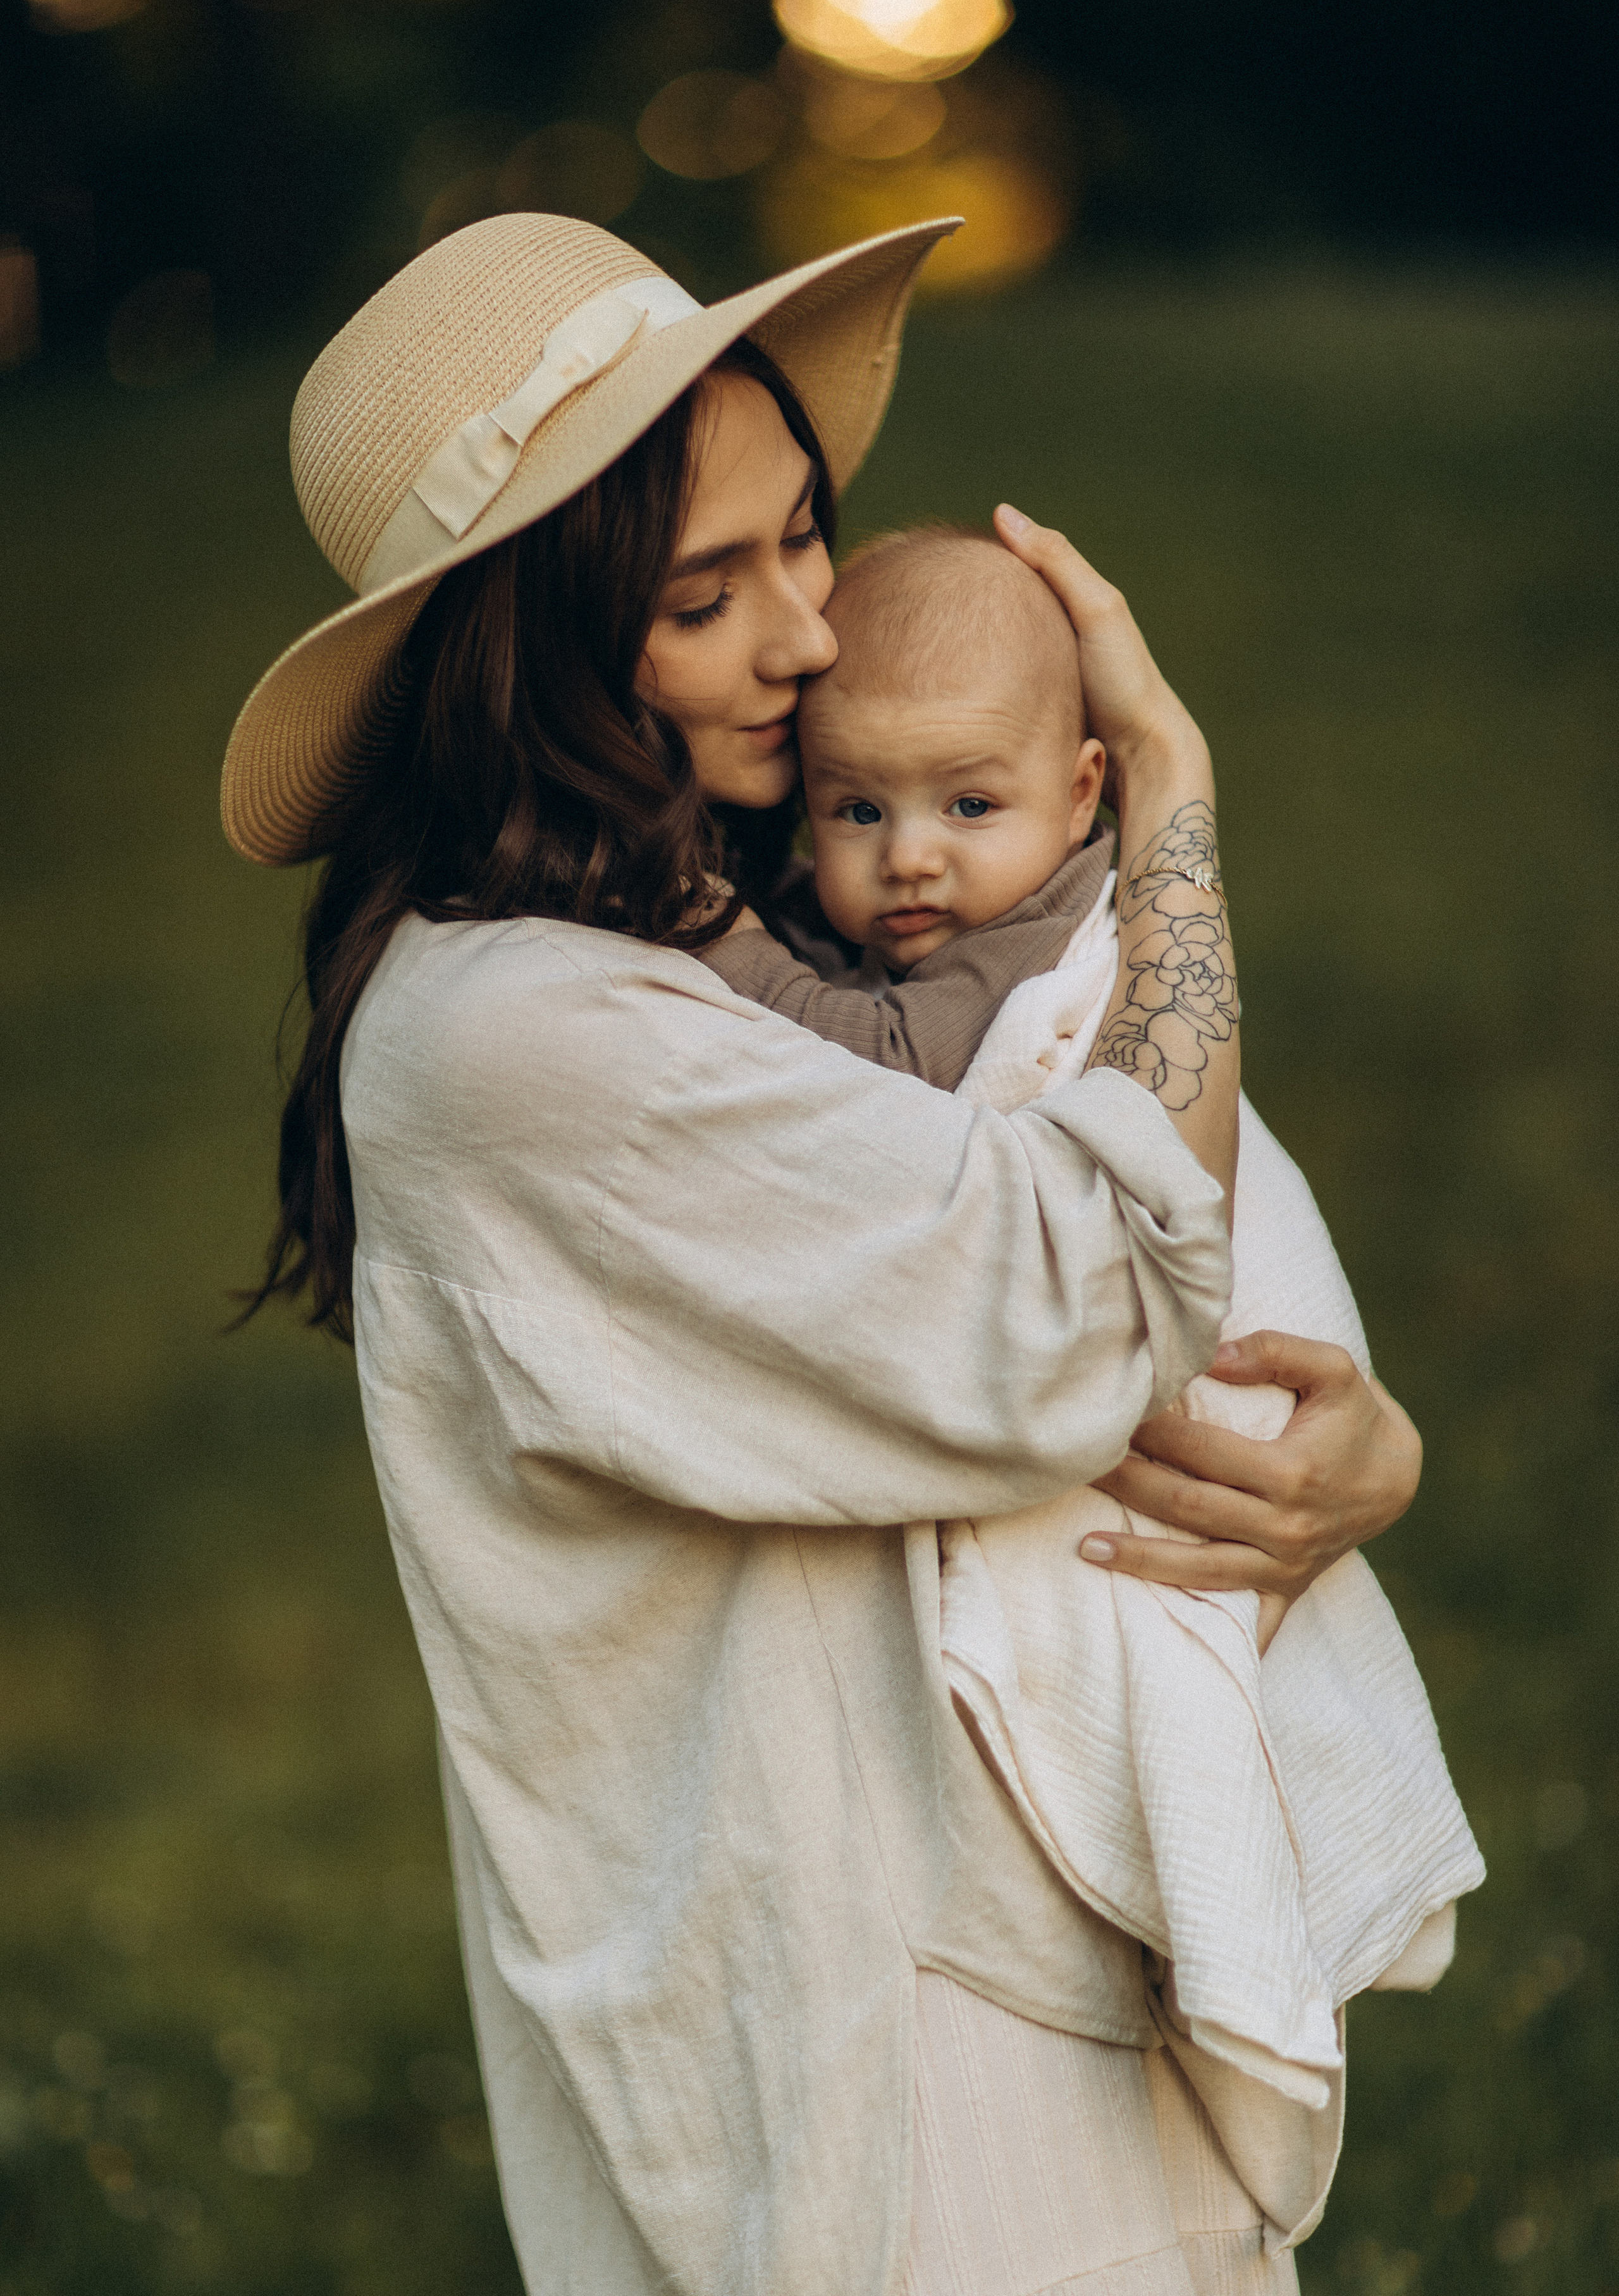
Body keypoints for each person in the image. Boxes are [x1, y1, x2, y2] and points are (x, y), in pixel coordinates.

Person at [223, 210, 1423, 2296]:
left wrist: (1351, 1452)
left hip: (965, 1930)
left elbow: (1127, 1212)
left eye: (805, 538)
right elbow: (1094, 1296)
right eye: (709, 593)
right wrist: (1172, 800)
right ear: (528, 644)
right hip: (874, 2031)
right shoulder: (521, 1034)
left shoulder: (731, 910)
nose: (808, 635)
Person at [699, 524, 1485, 2252]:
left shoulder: (1044, 960)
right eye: (856, 813)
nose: (911, 863)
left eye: (968, 809)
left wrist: (708, 931)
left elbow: (892, 1063)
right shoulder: (976, 893)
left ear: (1082, 798)